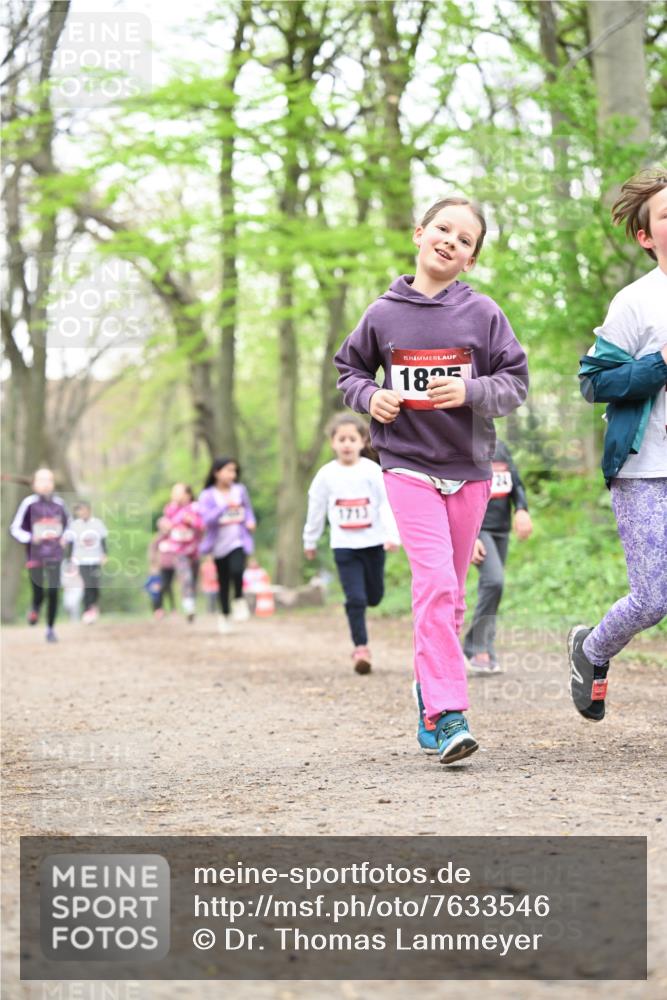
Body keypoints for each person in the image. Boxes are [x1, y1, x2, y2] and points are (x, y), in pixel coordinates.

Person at [334, 195, 529, 762]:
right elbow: (349, 369)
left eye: (465, 240)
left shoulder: (484, 314)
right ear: (419, 233)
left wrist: (470, 390)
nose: (451, 240)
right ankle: (449, 715)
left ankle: (428, 691)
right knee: (435, 584)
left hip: (469, 468)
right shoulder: (382, 314)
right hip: (406, 463)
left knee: (454, 594)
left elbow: (515, 382)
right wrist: (372, 396)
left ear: (470, 259)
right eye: (443, 228)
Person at [569, 167, 667, 721]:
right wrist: (659, 365)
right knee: (653, 598)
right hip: (645, 467)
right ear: (646, 236)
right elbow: (594, 382)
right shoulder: (636, 302)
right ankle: (593, 648)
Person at [303, 413, 400, 673]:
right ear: (333, 443)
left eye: (351, 439)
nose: (346, 444)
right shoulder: (326, 475)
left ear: (363, 441)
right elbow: (316, 508)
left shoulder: (372, 470)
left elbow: (386, 504)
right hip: (344, 545)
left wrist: (392, 535)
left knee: (374, 596)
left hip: (373, 542)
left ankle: (364, 612)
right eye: (341, 439)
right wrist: (309, 539)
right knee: (355, 598)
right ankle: (361, 647)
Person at [463, 440, 533, 674]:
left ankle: (480, 646)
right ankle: (478, 647)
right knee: (494, 581)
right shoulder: (462, 447)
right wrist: (469, 535)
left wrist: (521, 509)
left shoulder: (501, 447)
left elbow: (516, 484)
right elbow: (457, 495)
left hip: (501, 529)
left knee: (491, 588)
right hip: (479, 529)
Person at [10, 468, 69, 642]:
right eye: (42, 480)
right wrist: (30, 537)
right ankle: (35, 607)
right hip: (35, 555)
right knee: (38, 591)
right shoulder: (28, 504)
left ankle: (50, 629)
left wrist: (65, 537)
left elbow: (70, 527)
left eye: (49, 480)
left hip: (55, 555)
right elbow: (15, 528)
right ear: (34, 484)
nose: (46, 484)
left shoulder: (59, 504)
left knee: (53, 591)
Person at [198, 457, 256, 634]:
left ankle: (238, 599)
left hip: (238, 539)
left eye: (234, 471)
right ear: (217, 472)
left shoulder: (240, 490)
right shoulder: (207, 495)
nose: (232, 474)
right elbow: (206, 519)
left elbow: (247, 510)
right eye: (228, 470)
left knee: (237, 570)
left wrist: (250, 521)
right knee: (223, 581)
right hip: (218, 544)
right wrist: (223, 507)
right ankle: (224, 615)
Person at [161, 484, 204, 623]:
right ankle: (188, 606)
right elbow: (165, 524)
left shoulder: (196, 507)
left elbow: (202, 525)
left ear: (188, 494)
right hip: (178, 550)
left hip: (194, 550)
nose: (174, 495)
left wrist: (191, 521)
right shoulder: (170, 508)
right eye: (173, 492)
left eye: (177, 492)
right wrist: (166, 525)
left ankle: (191, 601)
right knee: (186, 577)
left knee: (193, 579)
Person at [63, 501, 108, 624]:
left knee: (95, 584)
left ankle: (93, 605)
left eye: (83, 510)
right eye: (79, 511)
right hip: (80, 559)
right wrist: (69, 558)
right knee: (87, 584)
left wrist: (104, 554)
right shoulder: (74, 525)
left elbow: (103, 539)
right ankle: (88, 610)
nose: (82, 513)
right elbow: (70, 542)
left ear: (89, 510)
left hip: (95, 558)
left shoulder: (97, 523)